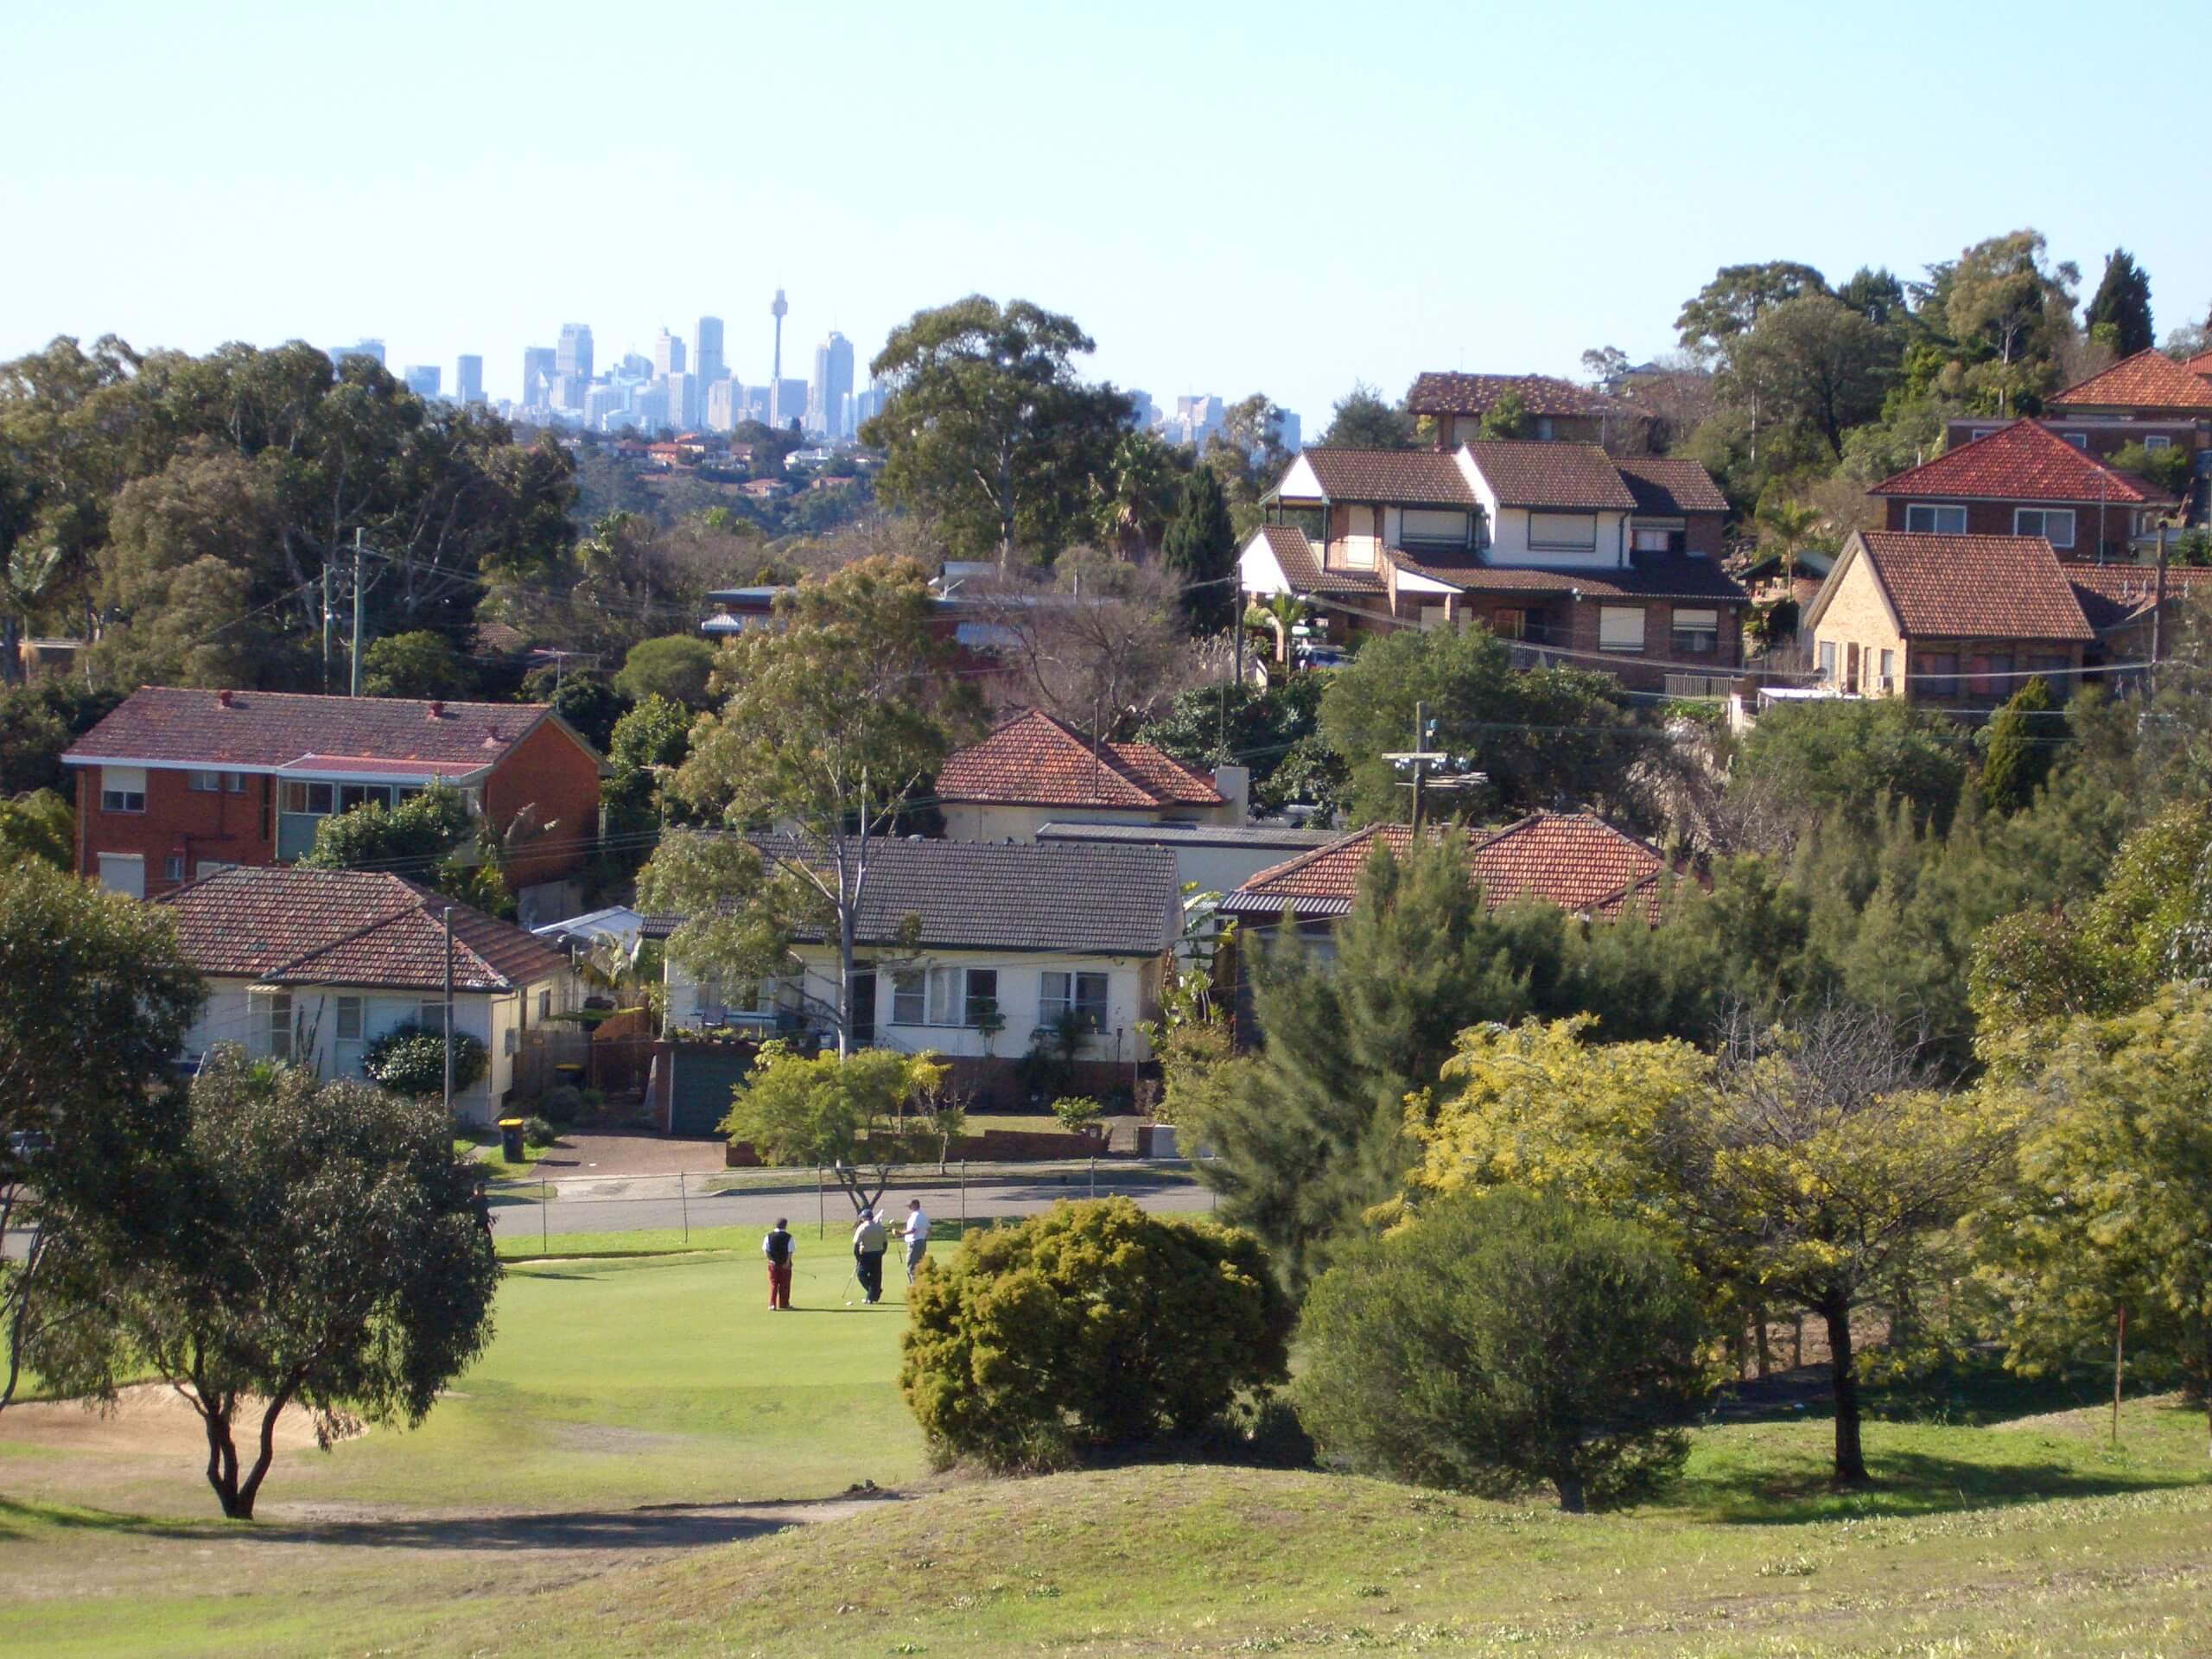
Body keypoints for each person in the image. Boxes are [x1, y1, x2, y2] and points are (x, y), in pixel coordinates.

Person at [852, 1207, 888, 1304]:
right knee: (875, 1276)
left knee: (861, 1274)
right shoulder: (879, 1227)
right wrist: (882, 1252)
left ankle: (872, 1295)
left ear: (865, 1218)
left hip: (866, 1254)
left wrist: (857, 1256)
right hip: (878, 1253)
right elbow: (885, 1242)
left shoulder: (862, 1227)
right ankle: (873, 1294)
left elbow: (856, 1244)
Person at [761, 1217, 795, 1311]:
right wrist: (787, 1262)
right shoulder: (789, 1237)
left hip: (773, 1264)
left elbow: (766, 1250)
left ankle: (772, 1304)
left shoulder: (769, 1236)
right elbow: (790, 1251)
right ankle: (784, 1304)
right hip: (785, 1265)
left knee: (774, 1284)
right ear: (785, 1226)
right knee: (785, 1284)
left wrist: (770, 1260)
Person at [902, 1197, 930, 1284]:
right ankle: (920, 1285)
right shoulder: (923, 1215)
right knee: (919, 1265)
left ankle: (914, 1287)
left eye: (910, 1206)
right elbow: (929, 1229)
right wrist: (924, 1238)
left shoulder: (916, 1216)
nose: (909, 1207)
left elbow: (913, 1230)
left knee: (911, 1267)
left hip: (914, 1243)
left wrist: (900, 1233)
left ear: (915, 1205)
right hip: (921, 1242)